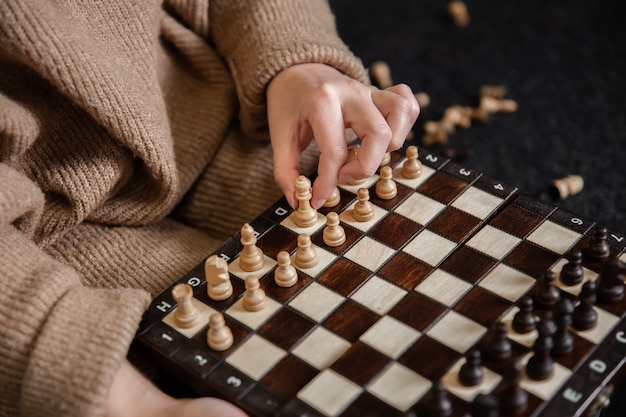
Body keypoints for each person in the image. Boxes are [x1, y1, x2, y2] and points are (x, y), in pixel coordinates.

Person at [0, 1, 419, 416]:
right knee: (304, 362)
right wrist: (135, 404)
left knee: (407, 245)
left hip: (208, 100)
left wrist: (296, 62)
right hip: (38, 247)